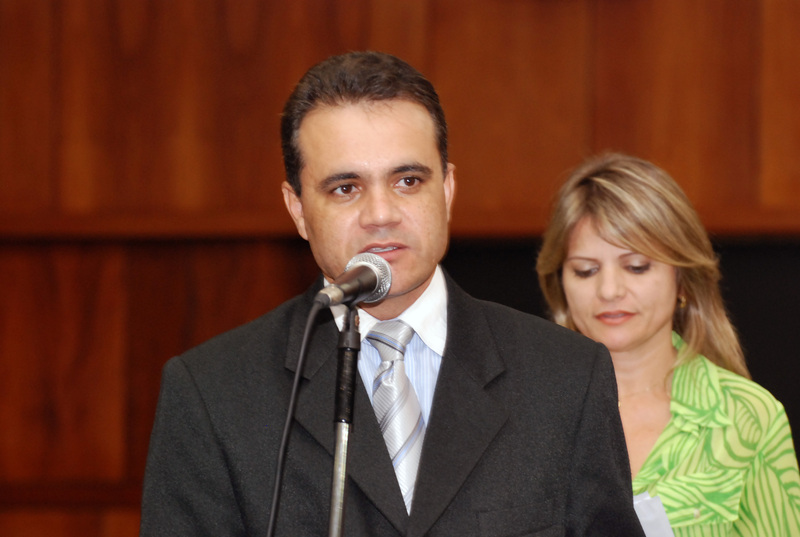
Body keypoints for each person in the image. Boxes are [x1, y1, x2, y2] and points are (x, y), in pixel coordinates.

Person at [139, 52, 645, 536]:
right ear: (297, 210)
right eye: (346, 188)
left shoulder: (565, 377)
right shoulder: (212, 395)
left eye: (407, 181)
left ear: (446, 190)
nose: (381, 214)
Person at [536, 152, 800, 536]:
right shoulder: (520, 409)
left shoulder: (748, 417)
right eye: (586, 270)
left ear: (683, 279)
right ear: (561, 285)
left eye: (636, 266)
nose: (609, 290)